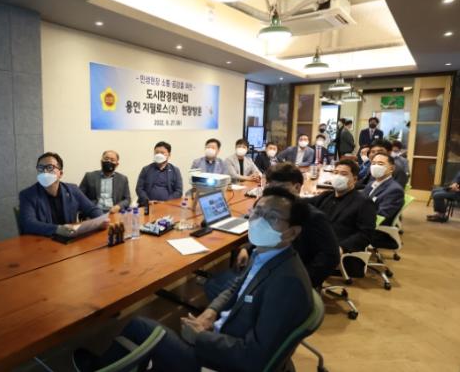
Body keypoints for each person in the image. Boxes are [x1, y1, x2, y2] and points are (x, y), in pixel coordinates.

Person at [73, 186, 313, 372]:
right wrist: (210, 312)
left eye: (272, 217)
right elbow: (236, 287)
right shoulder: (266, 253)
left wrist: (202, 338)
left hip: (222, 363)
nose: (258, 220)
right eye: (257, 212)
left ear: (293, 232)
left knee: (139, 325)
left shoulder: (287, 283)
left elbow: (254, 359)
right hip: (224, 333)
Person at [205, 163, 339, 295]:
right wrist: (247, 248)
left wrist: (300, 283)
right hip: (262, 266)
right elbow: (265, 234)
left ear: (297, 187)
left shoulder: (312, 217)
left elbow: (330, 257)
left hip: (282, 277)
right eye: (269, 185)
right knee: (217, 284)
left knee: (214, 285)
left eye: (279, 187)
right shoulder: (267, 207)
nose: (272, 192)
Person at [19, 152, 104, 236]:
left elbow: (92, 209)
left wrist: (101, 220)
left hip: (69, 238)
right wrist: (57, 229)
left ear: (60, 173)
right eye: (40, 168)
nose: (44, 171)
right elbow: (28, 223)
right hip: (44, 240)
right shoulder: (27, 194)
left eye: (50, 167)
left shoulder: (72, 190)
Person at [309, 160, 376, 253]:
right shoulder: (326, 195)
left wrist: (342, 247)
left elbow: (366, 234)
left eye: (343, 174)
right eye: (335, 173)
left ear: (354, 179)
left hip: (336, 250)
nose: (338, 176)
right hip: (314, 242)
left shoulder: (364, 202)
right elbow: (303, 203)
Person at [362, 153, 404, 226]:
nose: (375, 166)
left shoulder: (394, 190)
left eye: (380, 164)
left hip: (373, 226)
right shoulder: (371, 183)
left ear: (392, 168)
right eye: (373, 163)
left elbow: (382, 214)